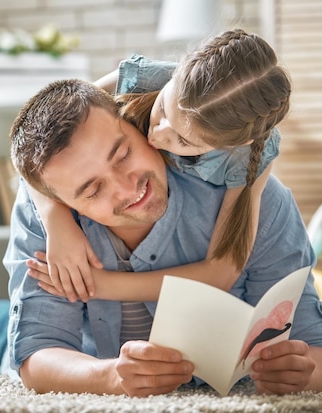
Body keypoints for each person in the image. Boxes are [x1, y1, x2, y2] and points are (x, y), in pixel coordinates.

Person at [0, 76, 322, 396]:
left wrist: (304, 370)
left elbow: (316, 347)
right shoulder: (46, 219)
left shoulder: (255, 199)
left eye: (122, 154)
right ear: (65, 202)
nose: (126, 189)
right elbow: (37, 353)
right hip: (91, 352)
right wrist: (110, 377)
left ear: (137, 123)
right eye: (92, 190)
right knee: (3, 339)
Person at [28, 29, 286, 302]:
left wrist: (94, 285)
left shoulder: (247, 160)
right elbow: (35, 133)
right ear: (179, 71)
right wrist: (56, 220)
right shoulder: (147, 78)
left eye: (183, 141)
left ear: (235, 144)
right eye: (163, 108)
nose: (157, 135)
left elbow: (221, 272)